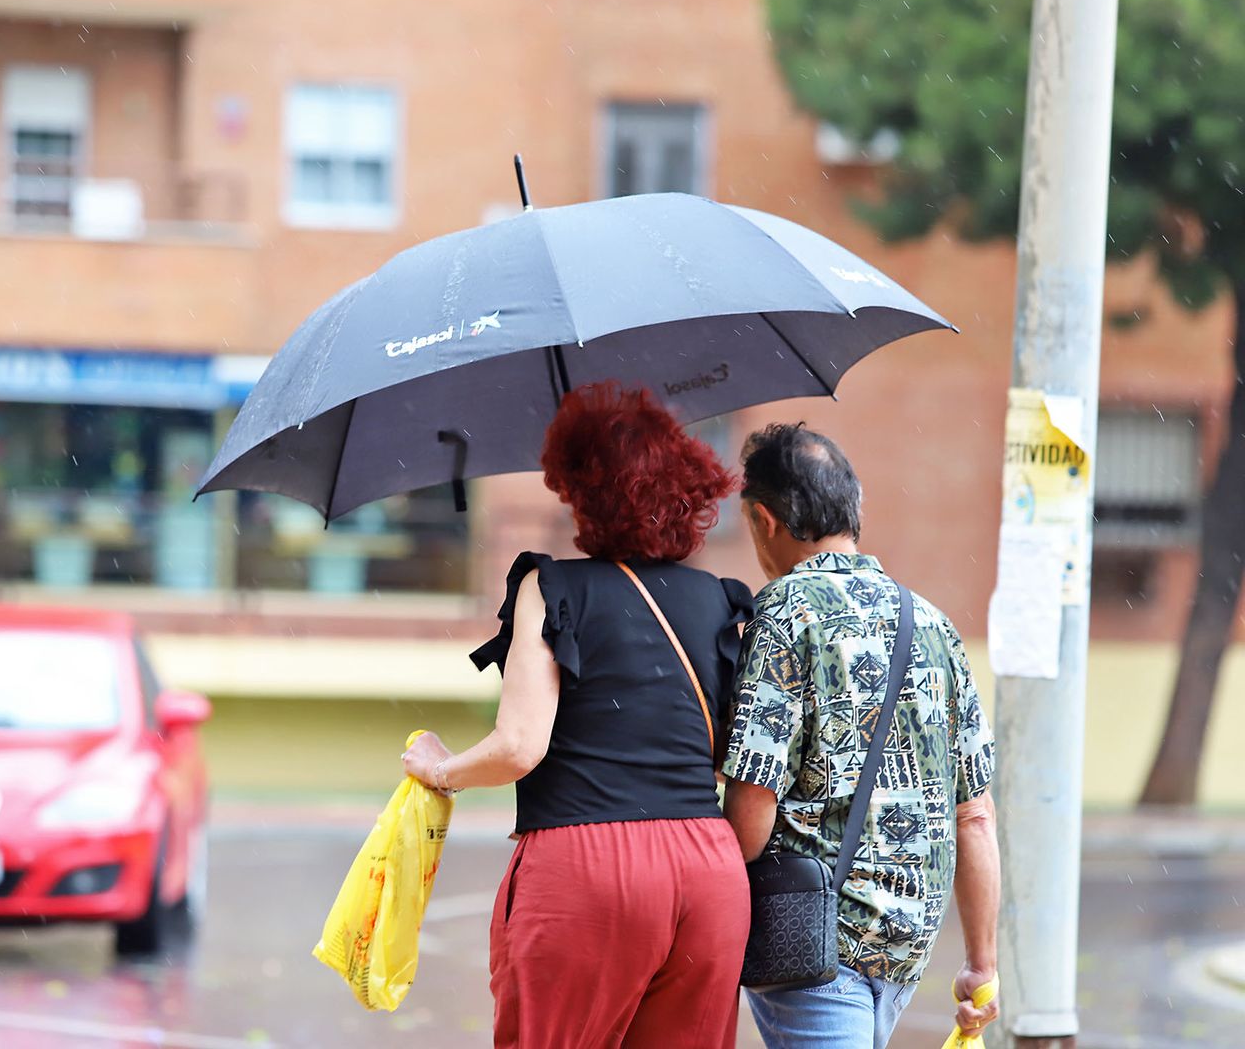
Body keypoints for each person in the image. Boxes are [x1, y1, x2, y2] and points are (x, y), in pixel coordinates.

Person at [402, 383, 754, 1049]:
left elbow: (519, 746)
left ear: (586, 492)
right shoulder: (719, 600)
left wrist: (441, 770)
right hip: (709, 870)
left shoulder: (554, 586)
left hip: (590, 864)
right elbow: (725, 754)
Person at [720, 423, 1002, 1049]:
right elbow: (975, 814)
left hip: (812, 940)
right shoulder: (932, 624)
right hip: (907, 950)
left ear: (765, 520)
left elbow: (754, 802)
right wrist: (981, 964)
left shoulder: (784, 612)